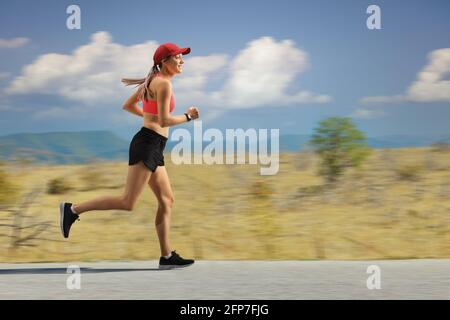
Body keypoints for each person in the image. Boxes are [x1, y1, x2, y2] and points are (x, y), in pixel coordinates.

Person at [59, 43, 199, 269]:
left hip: (153, 145)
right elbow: (164, 121)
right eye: (178, 57)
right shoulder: (162, 84)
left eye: (183, 57)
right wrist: (188, 117)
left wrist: (150, 117)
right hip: (147, 145)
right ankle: (72, 210)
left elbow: (129, 105)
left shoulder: (153, 81)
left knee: (167, 200)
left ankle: (166, 256)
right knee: (127, 202)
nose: (182, 61)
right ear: (164, 61)